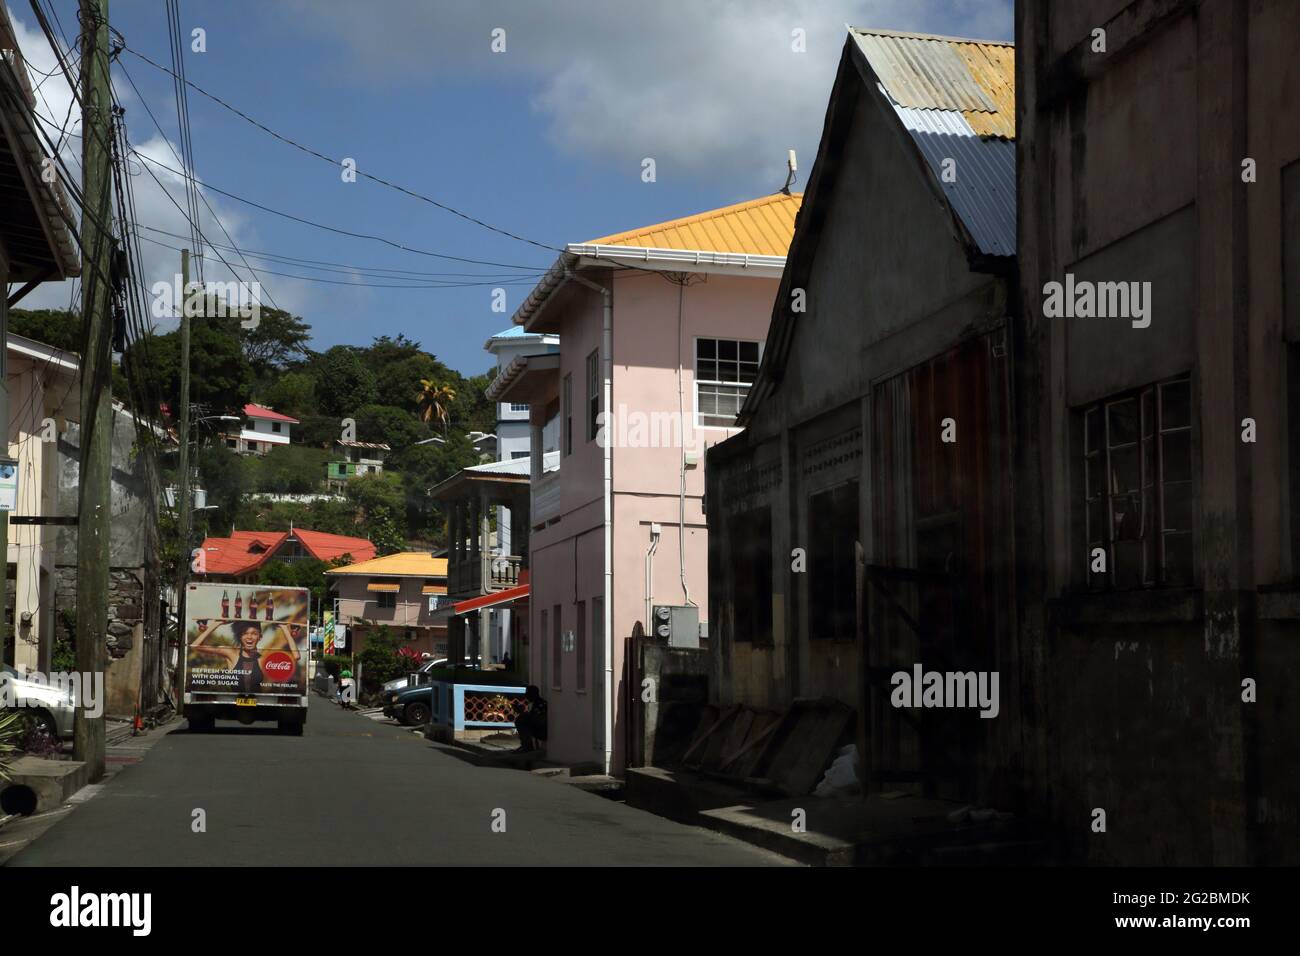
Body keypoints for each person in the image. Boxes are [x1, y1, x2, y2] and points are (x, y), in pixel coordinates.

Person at [190, 620, 299, 695]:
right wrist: (216, 624)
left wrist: (285, 629)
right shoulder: (231, 654)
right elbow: (195, 646)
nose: (249, 637)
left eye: (254, 633)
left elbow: (296, 656)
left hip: (258, 701)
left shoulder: (263, 658)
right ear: (240, 637)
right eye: (245, 633)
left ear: (260, 637)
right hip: (233, 701)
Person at [513, 685, 548, 753]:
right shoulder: (536, 703)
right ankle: (526, 745)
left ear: (533, 694)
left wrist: (523, 714)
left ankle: (527, 746)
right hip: (538, 728)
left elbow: (539, 720)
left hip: (542, 731)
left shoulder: (540, 704)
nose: (526, 696)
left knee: (520, 720)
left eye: (528, 694)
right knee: (521, 718)